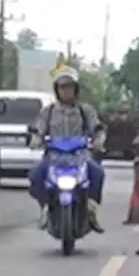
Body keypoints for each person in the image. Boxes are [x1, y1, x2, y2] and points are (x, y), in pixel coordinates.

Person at [28, 67, 107, 232]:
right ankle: (45, 207)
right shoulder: (48, 112)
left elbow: (98, 128)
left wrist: (99, 140)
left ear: (76, 88)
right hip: (54, 155)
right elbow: (37, 129)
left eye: (69, 86)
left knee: (97, 172)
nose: (66, 90)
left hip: (80, 155)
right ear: (56, 89)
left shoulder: (85, 111)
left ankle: (91, 209)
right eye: (62, 87)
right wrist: (36, 139)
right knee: (36, 174)